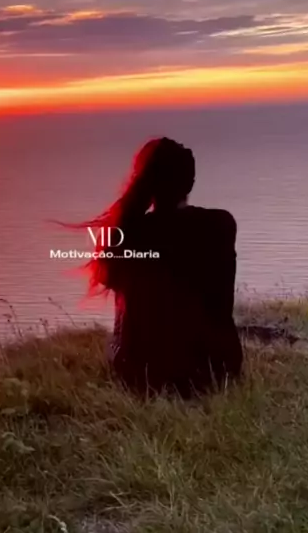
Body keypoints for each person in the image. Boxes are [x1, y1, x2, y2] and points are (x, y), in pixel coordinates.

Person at [82, 137, 243, 398]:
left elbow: (109, 279)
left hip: (143, 373)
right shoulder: (222, 225)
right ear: (190, 182)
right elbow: (222, 301)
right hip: (216, 367)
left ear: (143, 181)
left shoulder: (125, 233)